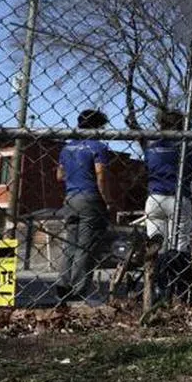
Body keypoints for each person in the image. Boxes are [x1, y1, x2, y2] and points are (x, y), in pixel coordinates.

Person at [55, 109, 111, 304]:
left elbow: (59, 176)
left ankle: (63, 284)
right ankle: (78, 291)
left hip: (70, 196)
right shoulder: (98, 147)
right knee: (85, 246)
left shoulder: (66, 148)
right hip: (90, 197)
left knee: (70, 243)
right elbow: (101, 175)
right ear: (97, 126)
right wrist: (107, 200)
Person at [144, 110, 192, 251]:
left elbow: (147, 170)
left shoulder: (152, 148)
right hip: (178, 196)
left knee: (156, 242)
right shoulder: (186, 148)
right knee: (179, 242)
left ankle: (156, 268)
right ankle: (176, 269)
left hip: (155, 197)